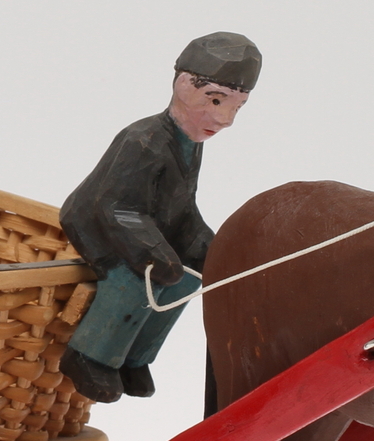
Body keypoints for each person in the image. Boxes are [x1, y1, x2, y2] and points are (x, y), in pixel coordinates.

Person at [57, 32, 261, 403]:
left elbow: (182, 206)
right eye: (215, 99)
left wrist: (209, 247)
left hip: (143, 226)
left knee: (187, 279)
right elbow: (114, 207)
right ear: (183, 84)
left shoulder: (191, 144)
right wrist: (154, 251)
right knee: (138, 279)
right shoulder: (143, 140)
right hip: (100, 227)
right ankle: (89, 356)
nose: (225, 119)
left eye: (238, 106)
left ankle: (134, 357)